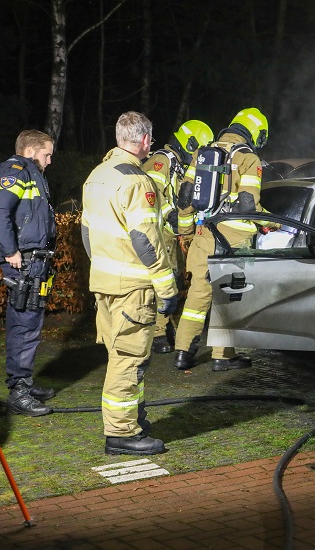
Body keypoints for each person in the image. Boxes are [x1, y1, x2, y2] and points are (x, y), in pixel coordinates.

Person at [82, 112, 179, 456]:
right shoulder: (137, 181)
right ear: (142, 140)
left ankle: (132, 418)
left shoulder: (98, 175)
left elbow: (86, 234)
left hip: (104, 284)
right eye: (149, 140)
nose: (150, 145)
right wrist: (168, 288)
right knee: (129, 359)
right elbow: (146, 240)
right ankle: (121, 433)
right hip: (132, 288)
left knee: (119, 355)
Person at [174, 106, 275, 372]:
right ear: (255, 133)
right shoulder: (248, 159)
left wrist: (185, 233)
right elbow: (248, 205)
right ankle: (223, 356)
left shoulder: (202, 154)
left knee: (197, 296)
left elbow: (184, 200)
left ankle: (183, 352)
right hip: (233, 241)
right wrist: (272, 222)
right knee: (229, 297)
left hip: (203, 235)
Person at [142, 120, 214, 354]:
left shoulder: (176, 164)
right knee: (165, 281)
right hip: (159, 231)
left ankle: (166, 328)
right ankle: (158, 333)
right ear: (190, 143)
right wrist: (171, 216)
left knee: (175, 281)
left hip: (170, 233)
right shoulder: (162, 161)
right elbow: (150, 195)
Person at [0, 130, 57, 416]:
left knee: (30, 324)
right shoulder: (16, 171)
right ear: (31, 149)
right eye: (47, 153)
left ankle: (24, 381)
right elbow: (1, 211)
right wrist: (10, 252)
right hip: (23, 262)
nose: (49, 160)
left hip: (35, 261)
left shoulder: (32, 173)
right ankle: (18, 391)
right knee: (23, 326)